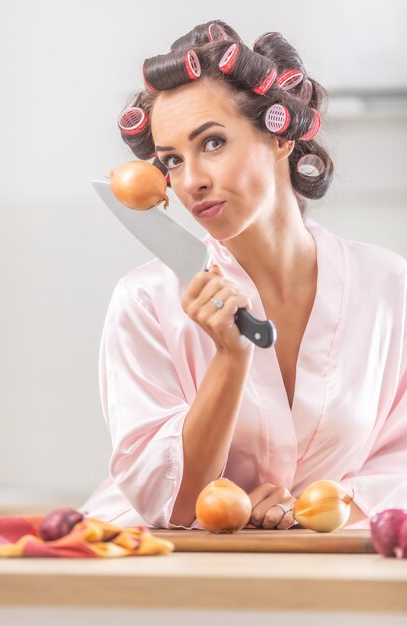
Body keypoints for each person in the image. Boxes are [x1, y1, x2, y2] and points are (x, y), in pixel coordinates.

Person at [80, 20, 407, 530]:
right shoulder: (144, 302)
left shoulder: (389, 287)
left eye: (211, 143)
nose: (191, 182)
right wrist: (231, 358)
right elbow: (176, 504)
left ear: (279, 137)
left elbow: (400, 460)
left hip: (333, 565)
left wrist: (313, 510)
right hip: (162, 570)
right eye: (171, 160)